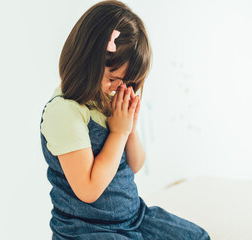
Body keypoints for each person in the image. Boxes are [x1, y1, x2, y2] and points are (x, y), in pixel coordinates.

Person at [40, 0, 211, 239]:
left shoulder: (106, 99)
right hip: (87, 229)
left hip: (133, 217)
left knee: (197, 236)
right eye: (112, 78)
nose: (117, 88)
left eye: (126, 83)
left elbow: (135, 164)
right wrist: (117, 133)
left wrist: (129, 128)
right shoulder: (64, 112)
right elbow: (88, 189)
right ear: (85, 60)